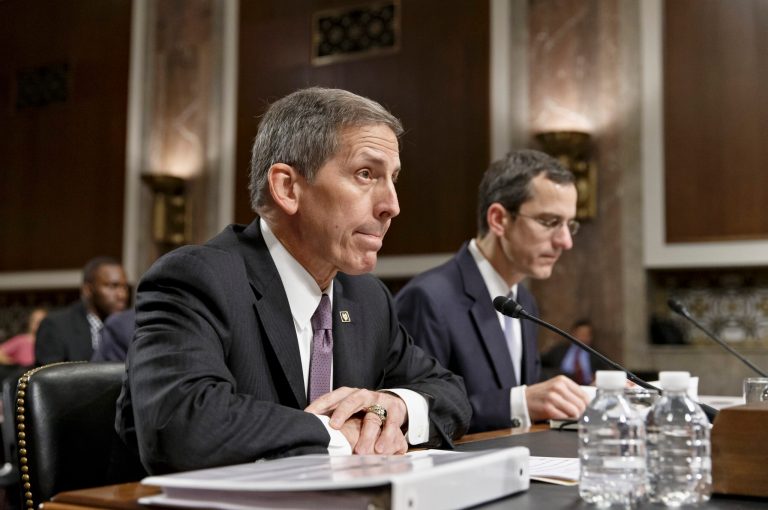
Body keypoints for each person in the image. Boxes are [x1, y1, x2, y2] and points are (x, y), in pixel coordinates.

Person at [116, 87, 471, 474]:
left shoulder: (367, 298)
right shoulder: (197, 279)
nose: (392, 205)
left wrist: (394, 405)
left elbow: (449, 392)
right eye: (365, 174)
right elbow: (180, 425)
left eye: (393, 178)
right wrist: (337, 434)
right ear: (287, 187)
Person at [395, 149, 590, 433]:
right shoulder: (428, 298)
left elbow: (525, 395)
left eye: (569, 225)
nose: (565, 241)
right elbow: (416, 411)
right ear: (499, 219)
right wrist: (518, 403)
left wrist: (589, 394)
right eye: (549, 222)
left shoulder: (523, 300)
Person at [35, 257, 129, 364]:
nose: (122, 295)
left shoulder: (130, 327)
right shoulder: (56, 326)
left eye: (124, 287)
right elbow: (49, 378)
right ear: (88, 290)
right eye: (112, 286)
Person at [541, 319, 611, 384]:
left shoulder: (598, 355)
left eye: (586, 335)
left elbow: (606, 372)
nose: (583, 338)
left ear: (591, 337)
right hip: (562, 386)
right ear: (573, 334)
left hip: (587, 387)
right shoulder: (558, 351)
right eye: (580, 334)